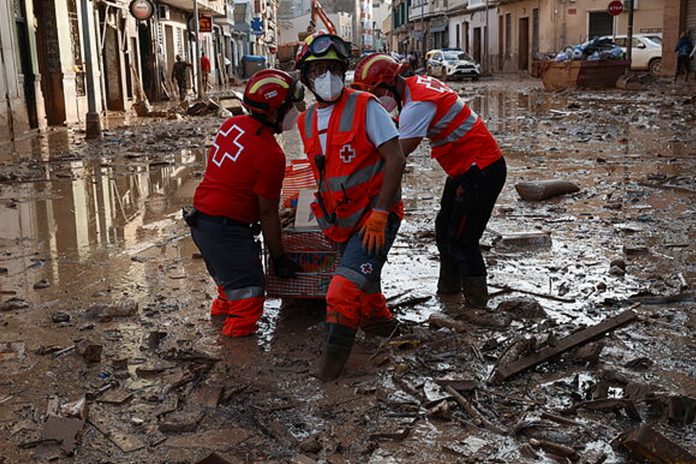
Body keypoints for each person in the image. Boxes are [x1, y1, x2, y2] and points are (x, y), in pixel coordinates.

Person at [352, 53, 506, 308]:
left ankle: (476, 307)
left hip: (481, 170)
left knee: (463, 239)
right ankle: (448, 294)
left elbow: (398, 155)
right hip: (465, 169)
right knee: (444, 230)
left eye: (375, 92)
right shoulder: (416, 87)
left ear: (389, 83)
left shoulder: (418, 105)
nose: (375, 100)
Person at [295, 33, 406, 381]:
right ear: (306, 78)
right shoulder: (306, 120)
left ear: (343, 71)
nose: (325, 77)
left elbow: (396, 159)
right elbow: (324, 173)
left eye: (332, 68)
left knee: (342, 290)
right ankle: (382, 327)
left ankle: (328, 378)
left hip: (375, 217)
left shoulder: (365, 106)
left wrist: (381, 214)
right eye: (317, 70)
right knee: (364, 281)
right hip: (340, 220)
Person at [185, 69, 304, 337]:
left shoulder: (232, 125)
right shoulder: (271, 154)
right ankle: (236, 359)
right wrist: (279, 259)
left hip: (202, 224)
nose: (296, 111)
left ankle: (218, 326)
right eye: (290, 106)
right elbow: (268, 214)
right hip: (227, 231)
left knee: (230, 287)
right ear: (274, 112)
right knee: (249, 297)